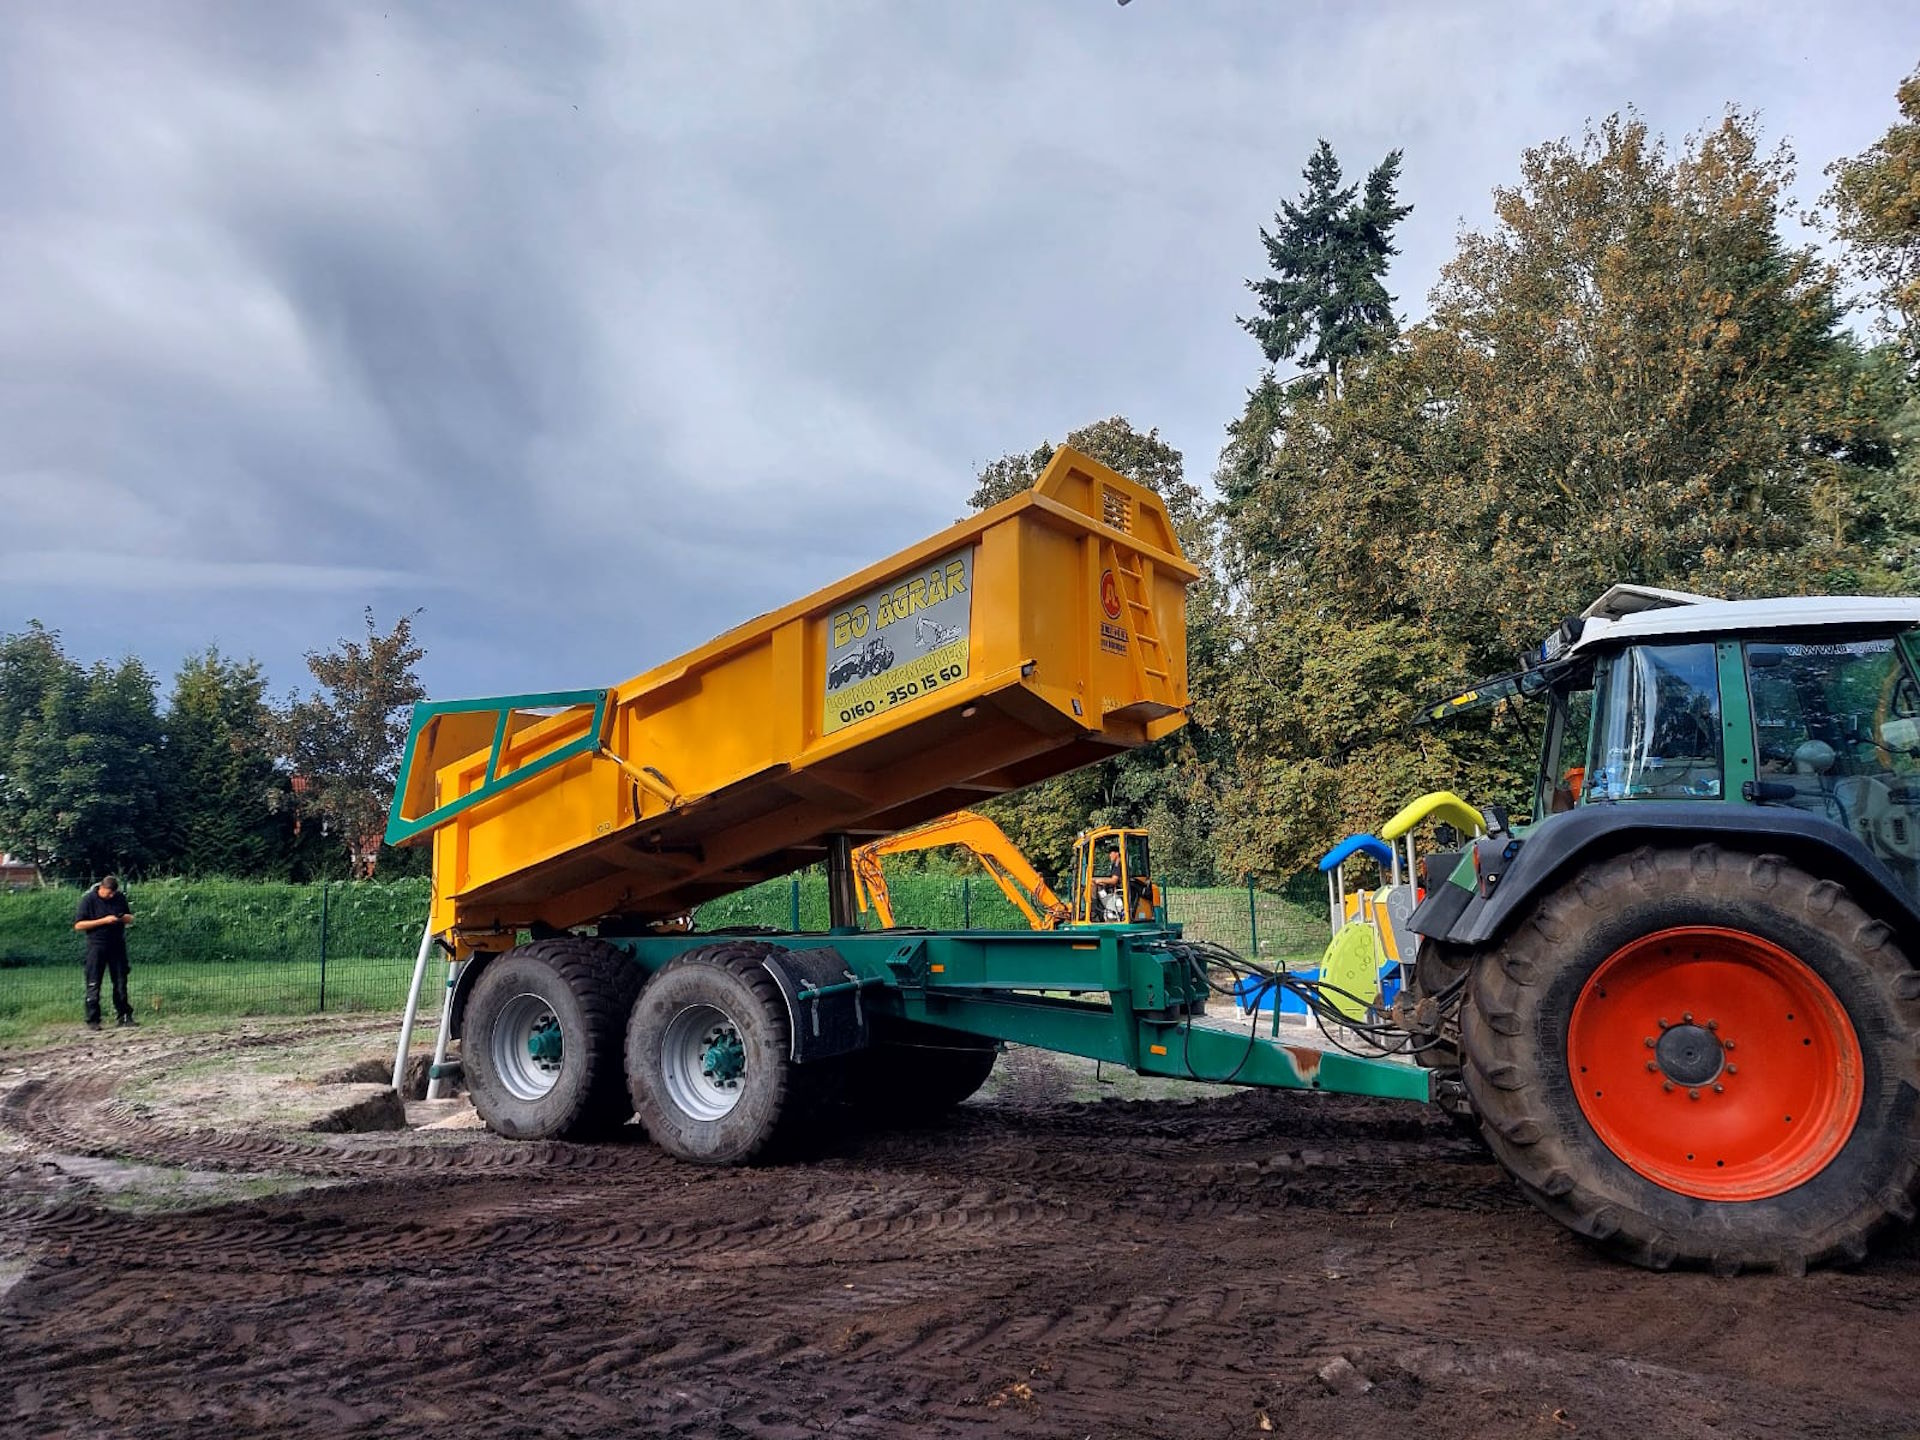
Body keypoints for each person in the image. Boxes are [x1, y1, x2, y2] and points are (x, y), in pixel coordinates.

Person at [74, 875, 136, 1029]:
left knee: (121, 982)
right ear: (101, 888)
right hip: (96, 946)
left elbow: (130, 918)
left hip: (117, 945)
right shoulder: (89, 900)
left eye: (113, 893)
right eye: (109, 893)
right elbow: (79, 925)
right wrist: (104, 920)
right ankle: (93, 1019)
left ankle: (124, 1016)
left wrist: (122, 918)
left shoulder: (119, 898)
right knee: (94, 982)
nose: (111, 896)